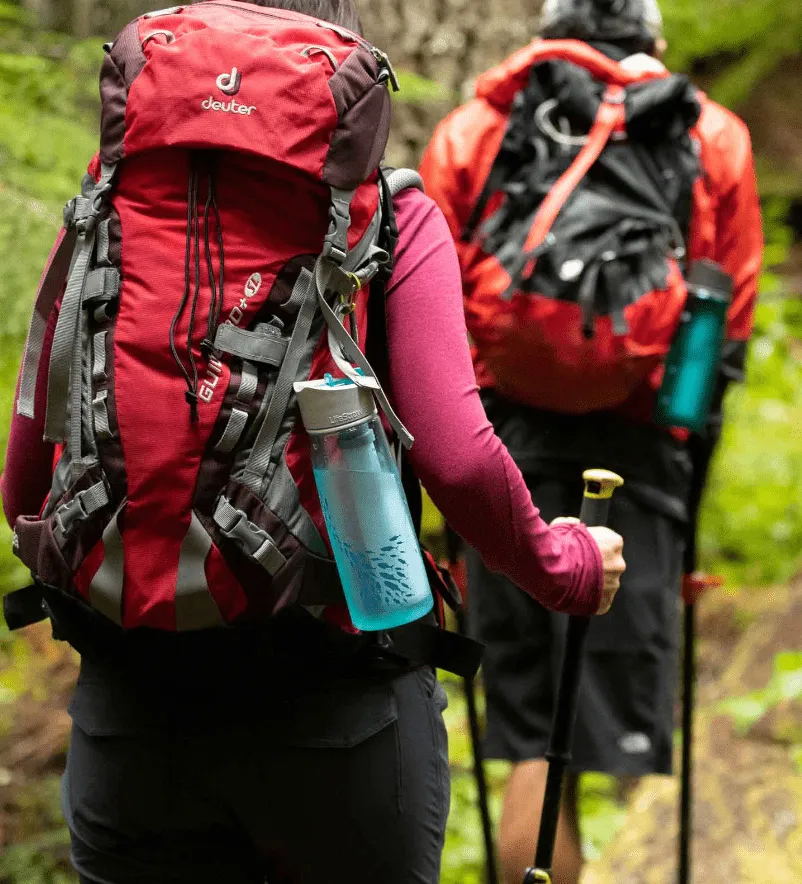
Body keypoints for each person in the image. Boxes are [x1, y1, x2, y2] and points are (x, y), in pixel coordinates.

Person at [0, 2, 626, 883]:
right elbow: (457, 457)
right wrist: (565, 567)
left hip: (131, 713)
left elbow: (27, 471)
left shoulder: (107, 205)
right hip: (336, 718)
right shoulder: (393, 219)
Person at [420, 1, 762, 882]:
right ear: (652, 35)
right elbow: (722, 334)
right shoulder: (711, 135)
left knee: (534, 736)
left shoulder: (478, 128)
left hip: (502, 449)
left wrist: (447, 503)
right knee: (594, 726)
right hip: (643, 449)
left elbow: (425, 322)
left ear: (548, 29)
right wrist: (684, 508)